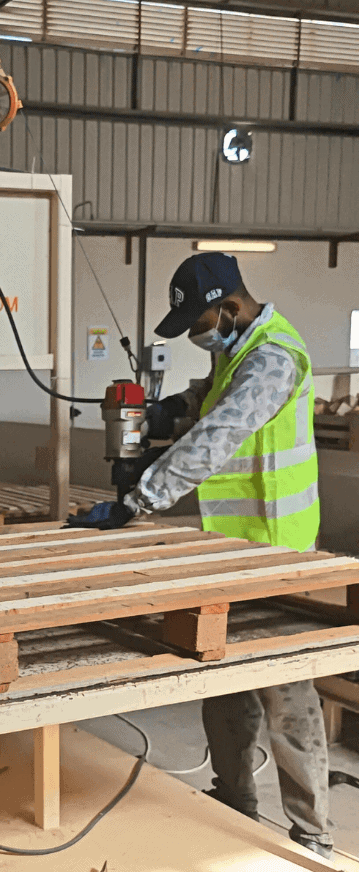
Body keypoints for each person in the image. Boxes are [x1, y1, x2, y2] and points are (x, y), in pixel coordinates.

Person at [69, 252, 330, 858]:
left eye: (200, 324)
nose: (197, 336)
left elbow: (219, 435)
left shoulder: (274, 357)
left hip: (276, 549)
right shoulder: (238, 351)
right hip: (230, 547)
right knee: (226, 683)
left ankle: (313, 834)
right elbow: (210, 398)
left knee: (287, 696)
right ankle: (235, 800)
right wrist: (168, 410)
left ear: (230, 307)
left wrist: (139, 499)